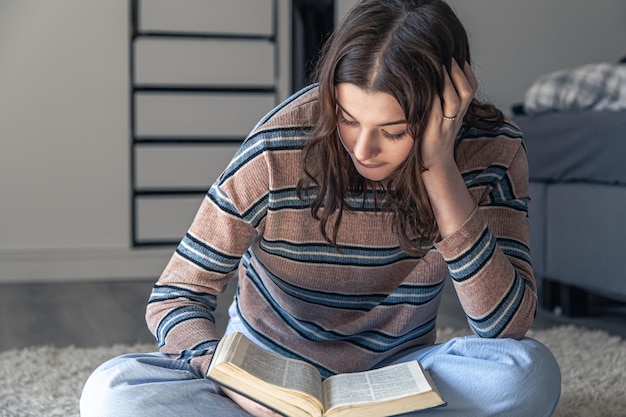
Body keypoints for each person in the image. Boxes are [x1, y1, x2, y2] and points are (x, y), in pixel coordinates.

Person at [80, 0, 561, 416]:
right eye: (349, 120)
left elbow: (504, 328)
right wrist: (228, 377)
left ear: (444, 109)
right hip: (264, 380)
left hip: (395, 379)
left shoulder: (491, 150)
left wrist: (439, 169)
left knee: (527, 375)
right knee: (111, 393)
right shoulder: (279, 144)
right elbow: (178, 294)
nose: (363, 149)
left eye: (393, 131)